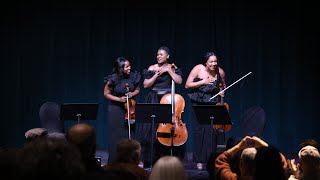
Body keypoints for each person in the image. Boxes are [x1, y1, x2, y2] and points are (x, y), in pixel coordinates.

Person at [135, 46, 184, 168]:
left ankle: (167, 159)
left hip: (168, 99)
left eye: (161, 54)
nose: (158, 56)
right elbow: (146, 85)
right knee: (150, 129)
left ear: (167, 56)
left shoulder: (173, 68)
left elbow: (179, 81)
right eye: (157, 54)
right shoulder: (152, 68)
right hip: (153, 98)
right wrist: (156, 75)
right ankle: (149, 160)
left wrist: (169, 71)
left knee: (168, 128)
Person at [185, 51, 226, 170]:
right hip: (197, 102)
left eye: (215, 61)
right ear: (206, 62)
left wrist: (222, 91)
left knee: (211, 132)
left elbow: (223, 85)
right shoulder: (198, 68)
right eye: (211, 62)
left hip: (212, 103)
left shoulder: (220, 72)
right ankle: (199, 160)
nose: (214, 64)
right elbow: (187, 85)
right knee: (199, 132)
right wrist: (203, 82)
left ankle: (210, 159)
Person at [104, 57, 141, 164]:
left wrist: (132, 94)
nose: (130, 68)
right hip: (116, 108)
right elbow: (106, 94)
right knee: (115, 136)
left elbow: (138, 89)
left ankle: (130, 161)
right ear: (120, 68)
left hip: (130, 108)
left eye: (130, 65)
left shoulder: (134, 76)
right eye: (127, 66)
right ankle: (114, 161)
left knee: (129, 135)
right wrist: (119, 99)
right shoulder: (113, 78)